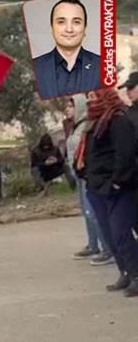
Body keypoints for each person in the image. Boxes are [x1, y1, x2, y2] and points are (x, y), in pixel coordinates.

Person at [75, 88, 138, 295]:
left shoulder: (118, 120)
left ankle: (136, 273)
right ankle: (125, 271)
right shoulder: (93, 123)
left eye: (94, 97)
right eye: (88, 98)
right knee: (109, 234)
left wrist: (118, 181)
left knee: (120, 232)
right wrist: (82, 172)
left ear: (105, 97)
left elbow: (125, 154)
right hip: (96, 186)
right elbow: (89, 154)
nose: (90, 101)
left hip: (118, 187)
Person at [68, 95, 114, 265]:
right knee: (87, 213)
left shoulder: (86, 126)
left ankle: (108, 249)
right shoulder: (76, 126)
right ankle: (93, 244)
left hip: (88, 174)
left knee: (94, 212)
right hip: (79, 174)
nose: (67, 109)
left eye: (71, 106)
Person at [33, 0, 101, 99]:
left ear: (85, 28)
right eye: (61, 22)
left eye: (76, 22)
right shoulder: (35, 67)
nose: (69, 29)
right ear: (51, 28)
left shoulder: (103, 67)